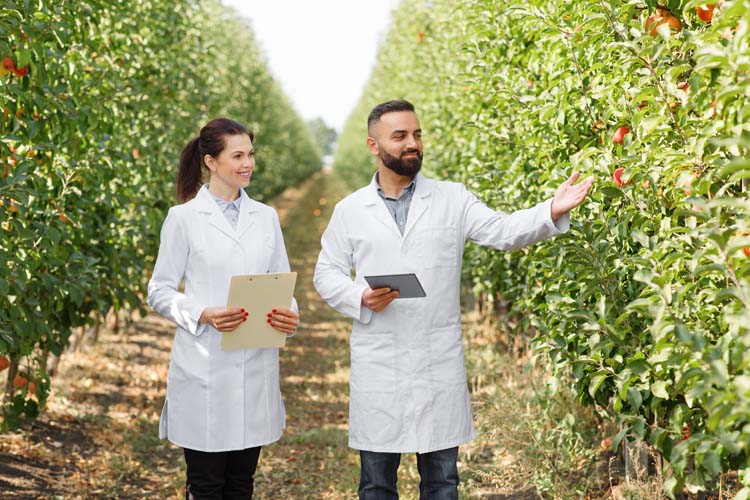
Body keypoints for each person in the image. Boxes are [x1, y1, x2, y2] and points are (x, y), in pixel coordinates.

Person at [313, 100, 594, 499]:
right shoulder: (350, 211)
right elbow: (325, 274)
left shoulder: (452, 198)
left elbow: (502, 231)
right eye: (400, 136)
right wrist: (360, 296)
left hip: (435, 359)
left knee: (443, 482)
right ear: (373, 146)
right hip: (380, 359)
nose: (413, 144)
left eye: (417, 134)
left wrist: (551, 209)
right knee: (376, 483)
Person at [147, 117, 299, 499]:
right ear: (211, 162)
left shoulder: (265, 218)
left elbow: (281, 283)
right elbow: (159, 291)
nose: (247, 163)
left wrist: (288, 313)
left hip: (255, 364)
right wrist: (203, 313)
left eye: (250, 154)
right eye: (238, 156)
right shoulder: (182, 219)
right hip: (205, 367)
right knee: (206, 484)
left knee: (240, 484)